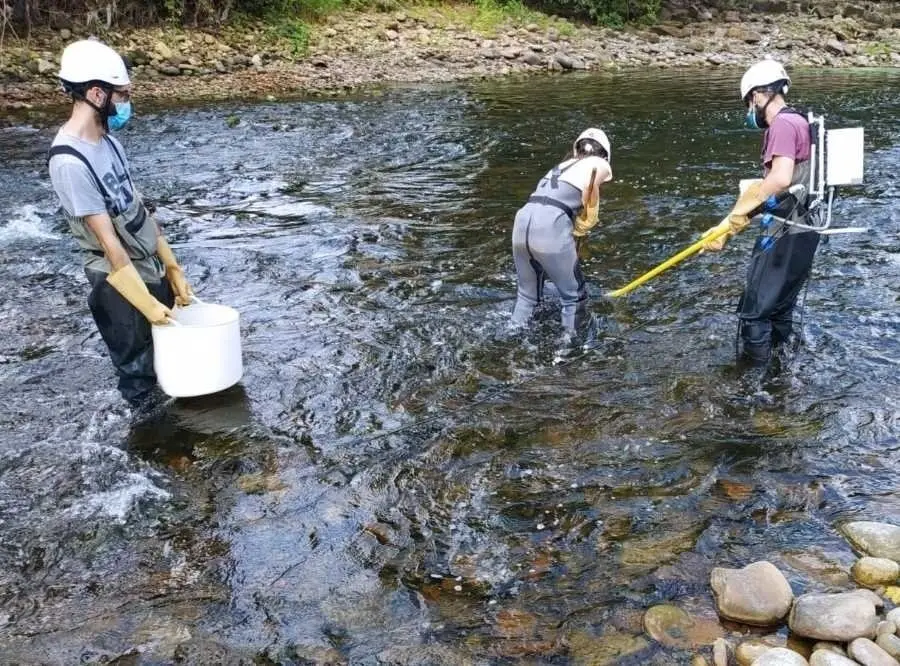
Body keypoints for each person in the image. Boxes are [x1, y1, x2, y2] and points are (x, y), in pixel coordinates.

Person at [48, 39, 194, 407]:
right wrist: (145, 303)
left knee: (170, 363)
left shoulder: (111, 144)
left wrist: (171, 266)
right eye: (123, 95)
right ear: (97, 93)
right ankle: (152, 449)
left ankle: (180, 442)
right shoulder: (69, 162)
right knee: (139, 376)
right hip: (119, 285)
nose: (127, 104)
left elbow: (139, 209)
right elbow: (110, 246)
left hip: (148, 267)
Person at [702, 59, 819, 366]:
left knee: (755, 312)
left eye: (749, 102)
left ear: (757, 95)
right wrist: (737, 215)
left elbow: (780, 178)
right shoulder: (799, 120)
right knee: (779, 309)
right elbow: (788, 183)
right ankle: (780, 380)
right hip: (805, 230)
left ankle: (751, 385)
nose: (750, 110)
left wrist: (732, 221)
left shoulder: (781, 124)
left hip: (784, 232)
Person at [511, 128, 613, 332]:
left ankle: (510, 339)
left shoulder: (561, 166)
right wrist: (581, 228)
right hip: (549, 227)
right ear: (605, 154)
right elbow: (590, 203)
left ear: (577, 149)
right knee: (574, 298)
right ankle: (570, 353)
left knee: (527, 296)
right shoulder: (600, 164)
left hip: (521, 222)